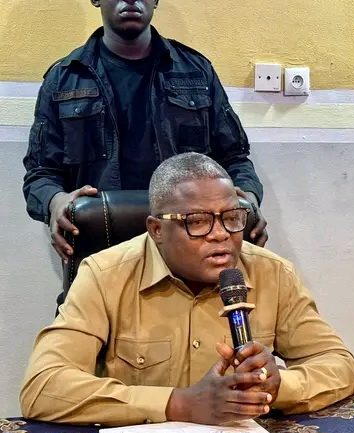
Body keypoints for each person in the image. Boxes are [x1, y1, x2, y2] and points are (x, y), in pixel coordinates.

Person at [20, 152, 354, 426]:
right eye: (197, 222)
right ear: (156, 229)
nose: (221, 234)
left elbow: (341, 366)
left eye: (232, 217)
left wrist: (278, 386)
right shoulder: (105, 275)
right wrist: (180, 404)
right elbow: (43, 386)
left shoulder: (272, 273)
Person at [23, 0, 267, 265]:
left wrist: (248, 201)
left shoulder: (196, 72)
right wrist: (55, 201)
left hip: (191, 243)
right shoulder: (64, 79)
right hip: (101, 249)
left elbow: (234, 159)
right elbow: (41, 174)